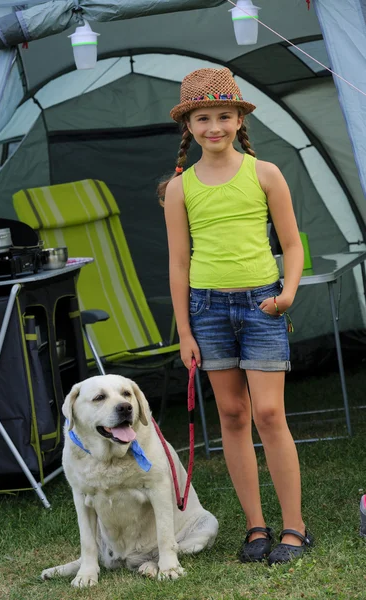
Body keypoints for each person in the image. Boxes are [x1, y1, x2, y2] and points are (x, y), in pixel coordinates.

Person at [159, 67, 314, 566]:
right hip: (207, 309)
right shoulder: (180, 189)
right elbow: (178, 264)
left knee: (269, 414)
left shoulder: (264, 173)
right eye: (203, 118)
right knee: (231, 414)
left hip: (263, 305)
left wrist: (288, 292)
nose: (214, 127)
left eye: (224, 116)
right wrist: (185, 330)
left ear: (239, 119)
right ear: (190, 126)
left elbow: (291, 244)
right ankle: (256, 527)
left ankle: (294, 527)